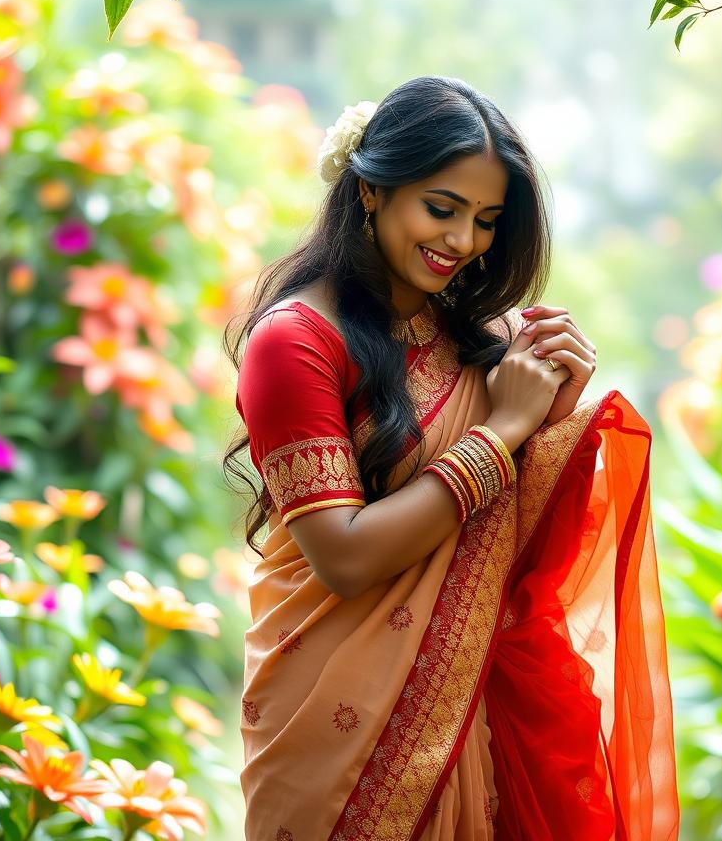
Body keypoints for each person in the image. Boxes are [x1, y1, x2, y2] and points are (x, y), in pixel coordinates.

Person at [223, 75, 679, 841]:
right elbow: (343, 557)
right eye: (442, 209)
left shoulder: (478, 341)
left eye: (487, 220)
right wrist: (502, 433)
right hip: (328, 737)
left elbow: (514, 553)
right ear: (371, 190)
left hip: (475, 723)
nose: (463, 242)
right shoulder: (295, 341)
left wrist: (552, 415)